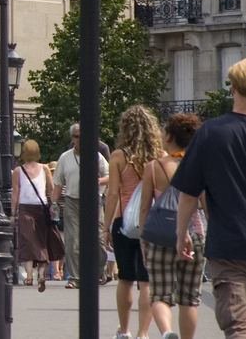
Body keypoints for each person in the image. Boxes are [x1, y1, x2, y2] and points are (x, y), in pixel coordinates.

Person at [173, 58, 246, 339]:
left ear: (232, 89)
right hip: (228, 245)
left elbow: (189, 192)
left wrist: (182, 233)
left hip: (228, 245)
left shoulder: (212, 132)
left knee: (237, 325)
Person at [140, 112, 205, 339]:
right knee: (190, 298)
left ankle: (167, 331)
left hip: (160, 236)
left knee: (159, 295)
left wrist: (143, 239)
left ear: (168, 136)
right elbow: (205, 203)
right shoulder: (198, 165)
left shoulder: (154, 167)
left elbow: (144, 207)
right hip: (194, 234)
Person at [105, 104, 165, 339]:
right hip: (151, 222)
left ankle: (124, 331)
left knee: (126, 278)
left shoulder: (119, 156)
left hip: (124, 222)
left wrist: (106, 227)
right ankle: (143, 333)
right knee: (146, 281)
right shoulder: (159, 157)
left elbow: (112, 194)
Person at [53, 122, 109, 288]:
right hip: (72, 200)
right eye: (77, 137)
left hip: (93, 200)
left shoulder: (96, 156)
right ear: (72, 138)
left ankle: (99, 272)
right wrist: (53, 204)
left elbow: (110, 176)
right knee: (72, 240)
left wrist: (98, 181)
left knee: (98, 239)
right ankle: (75, 278)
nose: (80, 140)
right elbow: (58, 183)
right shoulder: (65, 158)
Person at [12, 139, 60, 291]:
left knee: (28, 241)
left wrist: (12, 214)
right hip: (40, 208)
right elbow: (51, 189)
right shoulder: (44, 168)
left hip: (27, 209)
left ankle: (30, 277)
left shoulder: (19, 171)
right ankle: (40, 275)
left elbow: (15, 193)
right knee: (40, 242)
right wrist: (53, 206)